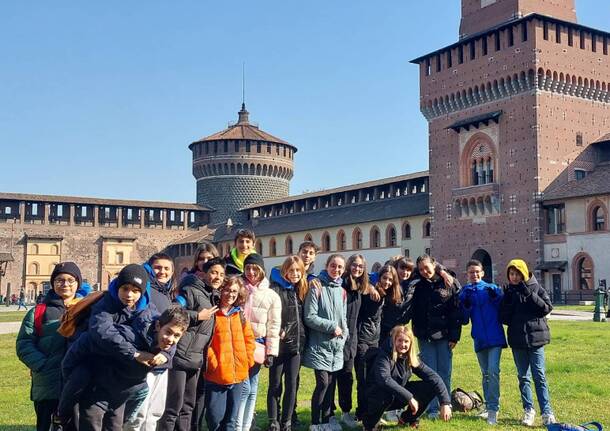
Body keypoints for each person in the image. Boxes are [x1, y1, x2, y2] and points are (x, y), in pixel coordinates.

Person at [73, 264, 158, 431]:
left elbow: (166, 332)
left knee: (115, 423)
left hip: (122, 382)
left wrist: (166, 354)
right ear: (118, 286)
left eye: (135, 290)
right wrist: (134, 353)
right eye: (125, 288)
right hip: (97, 377)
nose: (129, 294)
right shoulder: (105, 304)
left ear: (142, 292)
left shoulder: (148, 309)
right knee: (92, 420)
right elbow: (103, 332)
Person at [16, 262, 85, 431]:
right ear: (53, 283)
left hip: (77, 383)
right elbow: (24, 343)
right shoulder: (39, 311)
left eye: (70, 280)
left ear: (78, 283)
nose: (65, 284)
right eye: (60, 280)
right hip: (47, 384)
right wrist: (42, 365)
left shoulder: (87, 309)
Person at [158, 257, 224, 431]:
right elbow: (172, 310)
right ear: (204, 273)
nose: (217, 277)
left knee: (187, 407)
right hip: (180, 357)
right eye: (214, 272)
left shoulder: (213, 296)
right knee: (172, 408)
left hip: (195, 360)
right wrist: (196, 316)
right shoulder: (190, 290)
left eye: (221, 274)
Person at [123, 253, 178, 431]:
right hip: (144, 360)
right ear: (150, 268)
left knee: (154, 412)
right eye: (158, 268)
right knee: (138, 412)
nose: (162, 271)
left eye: (166, 268)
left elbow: (174, 330)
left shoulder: (166, 292)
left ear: (172, 271)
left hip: (161, 361)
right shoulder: (144, 290)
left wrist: (166, 354)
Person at [361, 325, 452, 431]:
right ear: (393, 340)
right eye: (399, 340)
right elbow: (384, 379)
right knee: (384, 393)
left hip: (397, 396)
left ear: (411, 343)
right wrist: (409, 398)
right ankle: (369, 424)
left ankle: (406, 419)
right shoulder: (384, 355)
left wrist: (445, 403)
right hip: (376, 397)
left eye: (406, 341)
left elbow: (434, 377)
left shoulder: (410, 358)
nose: (403, 344)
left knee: (430, 386)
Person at [404, 255, 461, 419]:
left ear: (434, 266)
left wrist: (454, 336)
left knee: (444, 372)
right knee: (430, 373)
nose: (424, 271)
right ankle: (432, 409)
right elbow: (408, 272)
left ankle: (446, 405)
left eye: (427, 268)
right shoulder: (417, 282)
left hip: (444, 336)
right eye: (421, 269)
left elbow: (455, 311)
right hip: (424, 336)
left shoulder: (447, 282)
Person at [500, 259, 556, 426]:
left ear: (523, 274)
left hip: (536, 339)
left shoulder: (536, 288)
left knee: (539, 375)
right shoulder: (509, 292)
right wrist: (508, 301)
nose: (514, 277)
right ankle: (528, 410)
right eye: (511, 274)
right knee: (523, 377)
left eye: (517, 274)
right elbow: (503, 317)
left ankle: (547, 412)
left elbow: (546, 308)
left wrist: (529, 294)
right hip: (518, 340)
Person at [235, 253, 281, 431]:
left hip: (257, 344)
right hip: (238, 343)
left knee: (252, 387)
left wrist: (271, 351)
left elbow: (274, 325)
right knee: (244, 387)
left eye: (255, 268)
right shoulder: (238, 288)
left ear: (262, 270)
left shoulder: (271, 295)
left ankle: (245, 426)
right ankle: (238, 425)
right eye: (248, 268)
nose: (251, 272)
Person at [303, 254, 348, 430]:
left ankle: (326, 421)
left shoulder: (342, 291)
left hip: (336, 346)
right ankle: (315, 423)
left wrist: (344, 335)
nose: (336, 270)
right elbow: (309, 317)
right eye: (333, 266)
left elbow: (343, 318)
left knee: (331, 385)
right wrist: (332, 327)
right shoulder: (316, 287)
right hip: (319, 345)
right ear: (326, 266)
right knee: (322, 383)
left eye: (340, 267)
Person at [459, 259, 506, 425]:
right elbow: (464, 320)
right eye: (471, 272)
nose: (474, 274)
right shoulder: (465, 292)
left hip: (495, 337)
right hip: (479, 338)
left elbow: (503, 310)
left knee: (493, 371)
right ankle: (487, 406)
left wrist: (497, 298)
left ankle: (493, 408)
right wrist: (464, 305)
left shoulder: (492, 288)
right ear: (467, 274)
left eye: (477, 271)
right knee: (485, 373)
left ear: (483, 273)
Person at [204, 276, 255, 431]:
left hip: (238, 375)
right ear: (220, 290)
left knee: (231, 421)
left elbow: (249, 339)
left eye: (234, 291)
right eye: (227, 290)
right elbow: (206, 342)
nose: (230, 294)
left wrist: (247, 360)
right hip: (216, 376)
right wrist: (213, 362)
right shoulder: (212, 314)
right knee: (214, 419)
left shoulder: (238, 314)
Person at [267, 256, 309, 431]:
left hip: (296, 346)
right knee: (275, 384)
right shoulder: (275, 288)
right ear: (285, 271)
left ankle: (287, 421)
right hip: (279, 344)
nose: (295, 274)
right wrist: (278, 330)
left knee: (292, 384)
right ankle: (273, 420)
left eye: (298, 270)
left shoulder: (302, 288)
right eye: (291, 270)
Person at [332, 254, 370, 428]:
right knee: (341, 377)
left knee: (350, 376)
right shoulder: (342, 284)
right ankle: (342, 412)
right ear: (348, 266)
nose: (357, 268)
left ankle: (354, 412)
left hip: (353, 338)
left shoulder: (360, 286)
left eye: (360, 266)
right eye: (354, 265)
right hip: (339, 338)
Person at [186, 242, 219, 431]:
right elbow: (176, 312)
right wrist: (198, 316)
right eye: (201, 259)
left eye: (209, 259)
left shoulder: (217, 285)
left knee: (201, 395)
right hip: (192, 349)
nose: (205, 262)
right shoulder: (189, 283)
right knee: (189, 397)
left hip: (210, 349)